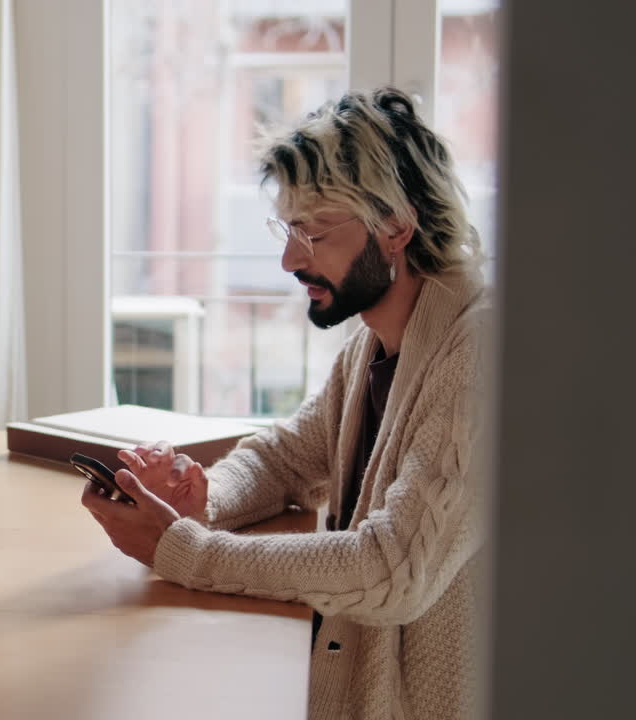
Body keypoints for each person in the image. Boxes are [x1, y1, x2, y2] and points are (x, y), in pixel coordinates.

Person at [82, 87, 489, 720]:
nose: (289, 259)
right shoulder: (377, 339)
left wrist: (184, 549)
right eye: (289, 228)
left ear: (397, 228)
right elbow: (284, 459)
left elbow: (393, 570)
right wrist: (202, 502)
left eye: (314, 233)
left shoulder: (480, 359)